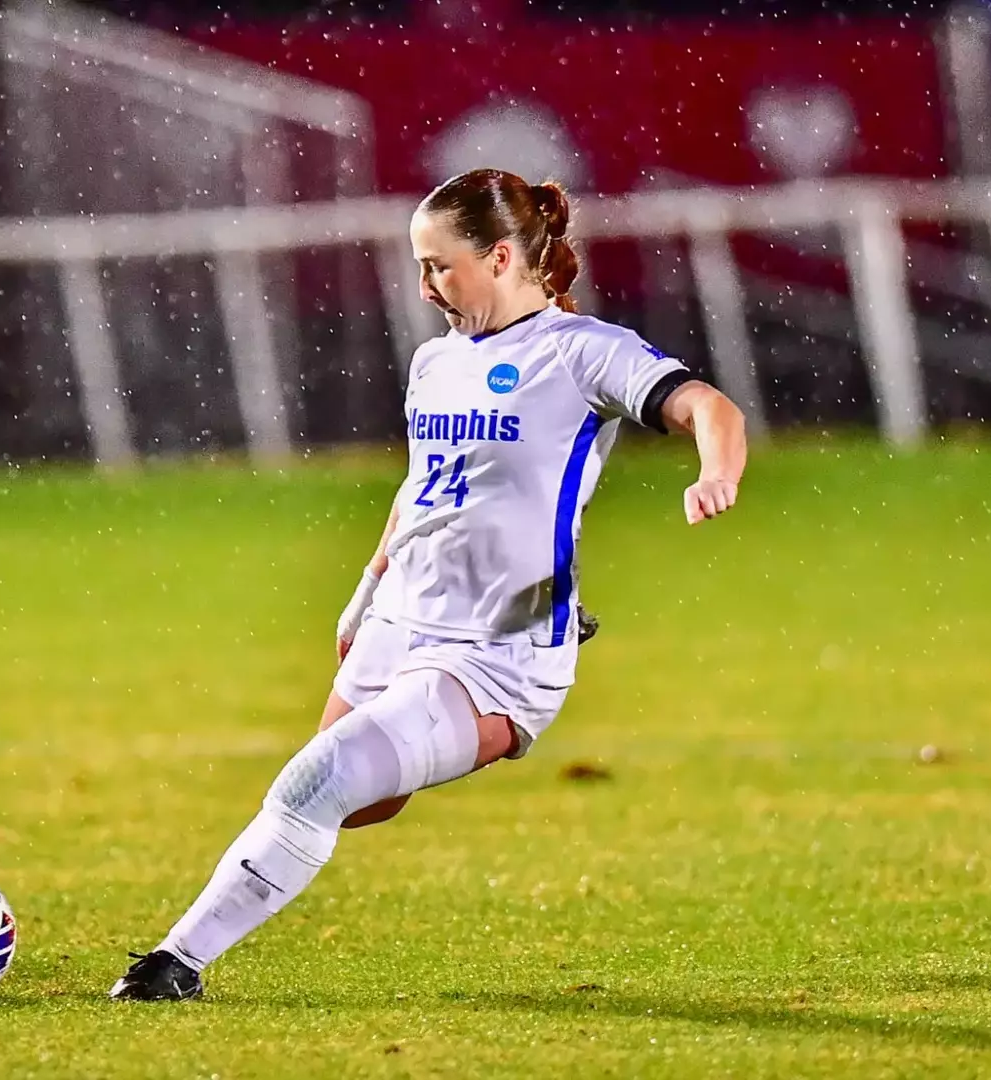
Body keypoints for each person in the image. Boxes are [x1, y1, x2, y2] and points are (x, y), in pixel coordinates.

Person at [110, 167, 748, 1001]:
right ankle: (192, 947)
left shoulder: (581, 352)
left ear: (504, 256)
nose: (427, 286)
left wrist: (714, 474)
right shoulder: (435, 363)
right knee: (354, 802)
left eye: (442, 265)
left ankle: (173, 965)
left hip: (495, 655)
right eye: (421, 266)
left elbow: (708, 407)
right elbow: (422, 486)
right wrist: (367, 586)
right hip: (401, 618)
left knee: (313, 785)